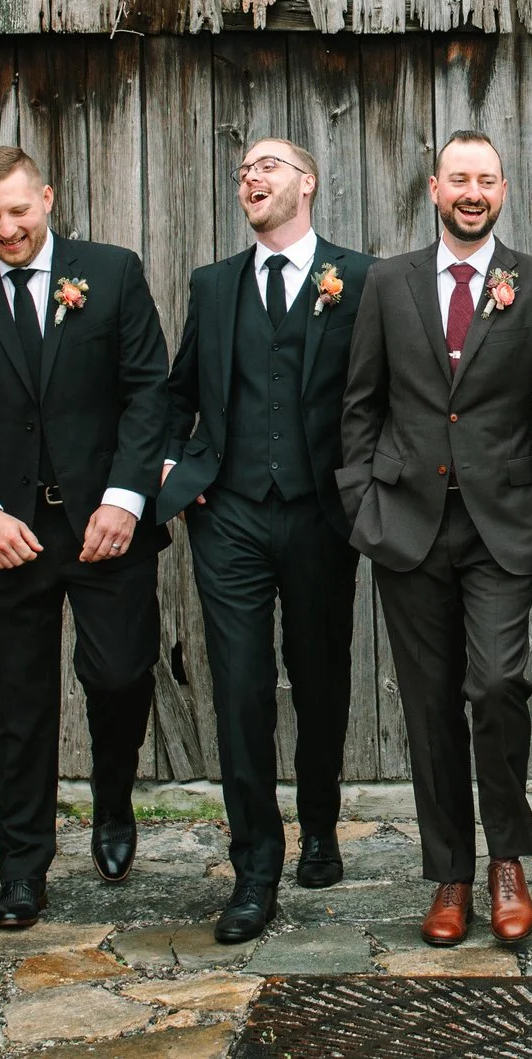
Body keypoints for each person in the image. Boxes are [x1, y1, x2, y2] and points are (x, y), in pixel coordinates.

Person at [338, 130, 532, 947]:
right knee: (428, 709)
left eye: (486, 179)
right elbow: (362, 400)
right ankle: (450, 874)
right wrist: (361, 501)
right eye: (458, 177)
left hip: (498, 522)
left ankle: (506, 858)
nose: (472, 191)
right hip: (407, 525)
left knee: (496, 687)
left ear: (502, 190)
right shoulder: (388, 282)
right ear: (433, 187)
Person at [0, 147, 174, 930]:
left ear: (47, 198)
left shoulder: (113, 272)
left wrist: (127, 499)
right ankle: (22, 869)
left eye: (19, 211)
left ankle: (114, 797)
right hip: (9, 535)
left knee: (122, 675)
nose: (7, 228)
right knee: (18, 708)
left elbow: (147, 392)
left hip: (105, 526)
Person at [157, 138, 376, 944]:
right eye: (243, 168)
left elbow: (382, 388)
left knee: (321, 677)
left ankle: (319, 821)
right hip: (231, 515)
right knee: (240, 685)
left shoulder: (359, 277)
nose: (251, 175)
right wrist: (176, 474)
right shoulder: (213, 286)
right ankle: (255, 866)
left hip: (322, 511)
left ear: (307, 181)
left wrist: (367, 487)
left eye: (268, 164)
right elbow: (177, 392)